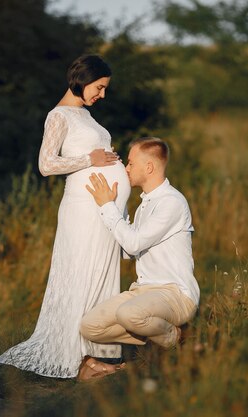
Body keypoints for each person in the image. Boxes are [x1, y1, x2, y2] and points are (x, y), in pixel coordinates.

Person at [0, 55, 131, 381]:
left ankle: (94, 354)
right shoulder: (58, 116)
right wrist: (91, 158)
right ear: (82, 81)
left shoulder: (85, 115)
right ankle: (77, 360)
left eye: (104, 89)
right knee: (81, 277)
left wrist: (109, 161)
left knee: (99, 280)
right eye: (99, 87)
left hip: (102, 210)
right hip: (82, 211)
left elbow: (96, 157)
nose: (102, 95)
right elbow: (46, 165)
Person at [80, 137, 199, 364]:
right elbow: (129, 251)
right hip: (143, 292)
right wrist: (116, 207)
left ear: (149, 167)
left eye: (131, 163)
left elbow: (133, 243)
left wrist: (106, 206)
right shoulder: (145, 204)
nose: (126, 168)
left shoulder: (171, 202)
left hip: (176, 294)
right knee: (89, 326)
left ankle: (177, 337)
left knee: (128, 314)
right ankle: (157, 337)